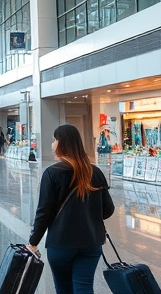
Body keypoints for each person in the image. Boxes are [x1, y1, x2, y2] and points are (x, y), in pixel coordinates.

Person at [27, 124, 114, 294]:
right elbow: (108, 210)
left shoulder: (52, 173)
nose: (53, 144)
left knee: (64, 288)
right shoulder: (95, 172)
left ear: (63, 143)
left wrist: (33, 242)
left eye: (54, 139)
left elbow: (44, 212)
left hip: (61, 243)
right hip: (91, 242)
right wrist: (88, 212)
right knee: (84, 287)